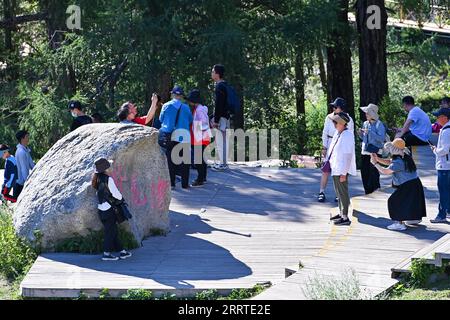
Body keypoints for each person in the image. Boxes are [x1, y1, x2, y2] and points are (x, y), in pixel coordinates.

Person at [371, 139, 426, 231]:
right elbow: (390, 161)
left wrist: (375, 163)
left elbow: (385, 171)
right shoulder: (405, 155)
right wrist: (378, 159)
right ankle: (414, 218)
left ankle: (399, 223)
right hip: (415, 183)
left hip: (408, 185)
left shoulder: (398, 162)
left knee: (394, 202)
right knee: (411, 201)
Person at [91, 158, 132, 261]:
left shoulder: (96, 179)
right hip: (110, 210)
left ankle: (122, 252)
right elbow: (116, 194)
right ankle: (106, 253)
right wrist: (122, 199)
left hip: (101, 209)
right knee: (110, 232)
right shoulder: (108, 179)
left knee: (112, 231)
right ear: (105, 168)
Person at [318, 97, 354, 203]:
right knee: (325, 170)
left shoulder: (348, 119)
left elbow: (349, 134)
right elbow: (325, 132)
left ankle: (339, 194)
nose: (333, 108)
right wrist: (324, 146)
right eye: (333, 106)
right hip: (330, 143)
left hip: (340, 146)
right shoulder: (329, 117)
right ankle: (321, 192)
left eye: (335, 106)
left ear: (341, 108)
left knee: (339, 170)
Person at [159, 86, 193, 189]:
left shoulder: (166, 106)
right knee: (185, 161)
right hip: (184, 136)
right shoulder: (186, 107)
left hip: (171, 136)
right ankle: (185, 184)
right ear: (181, 96)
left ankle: (172, 183)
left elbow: (161, 119)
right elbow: (190, 120)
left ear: (172, 94)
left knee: (171, 160)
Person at [328, 112, 357, 226]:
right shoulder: (338, 133)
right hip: (336, 167)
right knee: (338, 193)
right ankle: (341, 213)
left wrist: (344, 173)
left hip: (341, 169)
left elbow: (347, 155)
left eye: (336, 122)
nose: (334, 124)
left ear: (341, 123)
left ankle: (345, 216)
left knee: (343, 192)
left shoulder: (347, 135)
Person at [358, 104, 386, 194]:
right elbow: (364, 138)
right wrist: (360, 134)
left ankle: (375, 191)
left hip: (375, 151)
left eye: (367, 113)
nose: (366, 115)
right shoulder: (365, 123)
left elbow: (381, 138)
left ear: (372, 114)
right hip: (365, 151)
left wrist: (370, 132)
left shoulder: (379, 124)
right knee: (364, 172)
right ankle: (367, 191)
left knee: (374, 172)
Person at [186, 89, 211, 187]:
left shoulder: (200, 109)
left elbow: (204, 122)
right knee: (201, 158)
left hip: (200, 137)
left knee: (198, 159)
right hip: (201, 137)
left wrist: (197, 128)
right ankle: (203, 177)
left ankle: (200, 179)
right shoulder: (199, 108)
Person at [430, 108, 450, 224]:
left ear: (445, 118)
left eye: (438, 116)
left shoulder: (446, 131)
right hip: (448, 165)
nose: (436, 118)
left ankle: (441, 215)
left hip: (444, 165)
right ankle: (448, 211)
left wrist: (435, 150)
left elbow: (444, 150)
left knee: (443, 190)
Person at [211, 64, 230, 171]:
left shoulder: (219, 86)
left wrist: (216, 120)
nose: (212, 73)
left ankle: (223, 164)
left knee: (220, 141)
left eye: (213, 71)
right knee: (224, 140)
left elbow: (219, 104)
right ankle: (224, 163)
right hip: (226, 117)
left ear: (217, 74)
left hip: (221, 118)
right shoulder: (225, 85)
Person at [15, 130, 35, 198]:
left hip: (23, 184)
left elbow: (32, 165)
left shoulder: (25, 150)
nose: (28, 138)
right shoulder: (21, 152)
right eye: (27, 137)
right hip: (20, 185)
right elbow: (24, 170)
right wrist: (28, 184)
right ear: (22, 139)